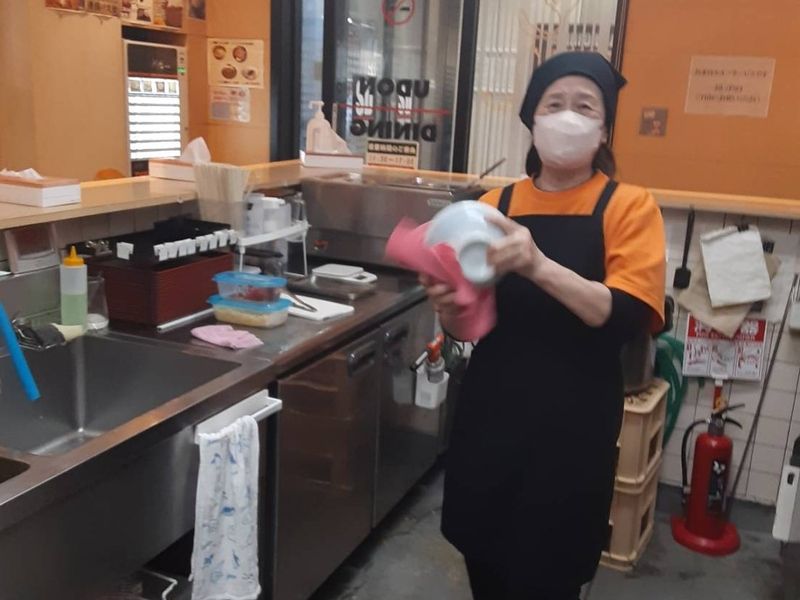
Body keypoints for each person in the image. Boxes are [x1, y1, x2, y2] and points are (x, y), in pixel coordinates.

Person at [422, 52, 666, 599]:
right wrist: (448, 306)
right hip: (490, 420)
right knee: (485, 566)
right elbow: (468, 327)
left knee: (550, 576)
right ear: (533, 120)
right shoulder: (492, 206)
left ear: (604, 128)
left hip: (572, 434)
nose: (568, 116)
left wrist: (537, 265)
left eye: (585, 106)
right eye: (554, 104)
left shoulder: (629, 207)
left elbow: (624, 314)